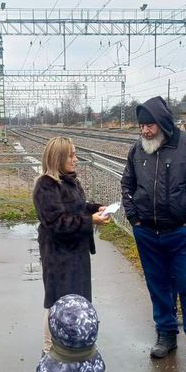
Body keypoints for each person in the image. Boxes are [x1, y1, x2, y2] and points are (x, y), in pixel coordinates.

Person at [120, 96, 186, 372]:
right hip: (147, 232)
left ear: (163, 123)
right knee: (158, 285)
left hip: (179, 232)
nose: (145, 131)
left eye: (149, 125)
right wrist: (134, 218)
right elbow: (127, 183)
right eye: (141, 126)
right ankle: (166, 334)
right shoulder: (137, 150)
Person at [33, 136, 110, 352]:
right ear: (58, 158)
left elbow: (77, 207)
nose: (76, 159)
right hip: (58, 256)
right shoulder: (45, 186)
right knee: (57, 301)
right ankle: (50, 348)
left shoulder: (69, 180)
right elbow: (56, 223)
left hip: (76, 253)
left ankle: (73, 343)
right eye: (72, 155)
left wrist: (95, 208)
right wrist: (90, 220)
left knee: (77, 299)